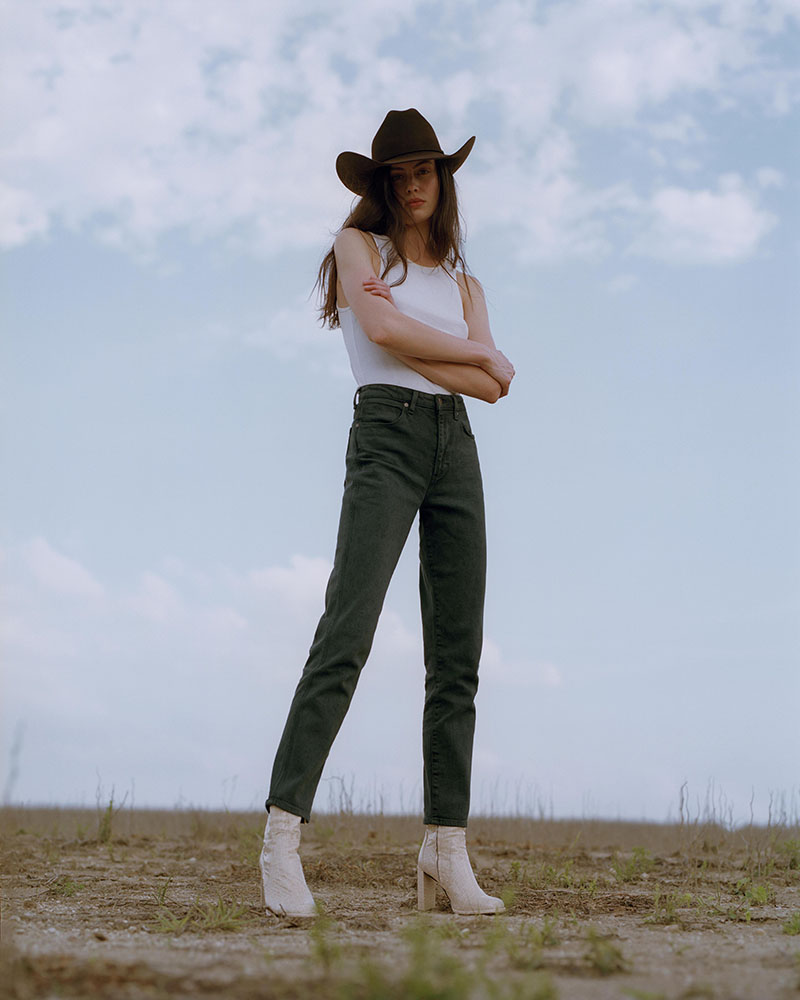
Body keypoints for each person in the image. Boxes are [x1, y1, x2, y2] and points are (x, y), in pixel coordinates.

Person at [259, 109, 516, 917]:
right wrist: (474, 349)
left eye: (424, 171)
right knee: (348, 632)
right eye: (398, 175)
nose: (412, 186)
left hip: (455, 447)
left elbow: (489, 391)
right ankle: (280, 842)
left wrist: (427, 344)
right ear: (380, 184)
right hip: (386, 436)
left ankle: (446, 852)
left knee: (458, 655)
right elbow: (381, 329)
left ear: (443, 179)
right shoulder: (357, 249)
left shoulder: (466, 285)